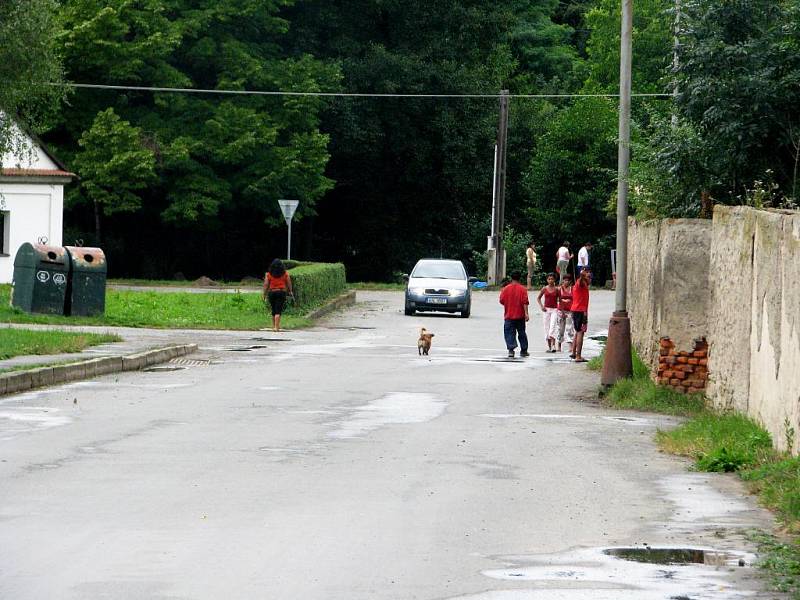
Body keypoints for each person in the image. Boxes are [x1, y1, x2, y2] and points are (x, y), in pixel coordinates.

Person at [499, 271, 529, 358]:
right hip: (520, 315)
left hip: (509, 315)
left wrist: (509, 303)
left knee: (509, 333)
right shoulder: (523, 289)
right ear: (520, 278)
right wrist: (526, 314)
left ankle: (511, 350)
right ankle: (524, 350)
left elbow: (501, 300)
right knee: (522, 333)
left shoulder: (506, 289)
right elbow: (525, 302)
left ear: (511, 278)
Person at [262, 259, 294, 332]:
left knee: (273, 310)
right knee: (278, 310)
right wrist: (290, 291)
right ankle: (277, 327)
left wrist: (264, 294)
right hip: (281, 292)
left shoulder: (268, 274)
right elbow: (289, 283)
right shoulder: (285, 273)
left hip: (272, 293)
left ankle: (274, 326)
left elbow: (266, 284)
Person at [571, 268, 591, 362]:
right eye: (588, 277)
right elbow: (582, 278)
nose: (590, 279)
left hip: (576, 310)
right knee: (580, 332)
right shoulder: (581, 283)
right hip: (580, 311)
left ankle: (573, 352)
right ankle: (578, 356)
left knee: (577, 331)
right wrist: (582, 274)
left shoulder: (578, 285)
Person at [551, 273, 575, 353]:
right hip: (561, 311)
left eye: (567, 280)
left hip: (570, 311)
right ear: (562, 281)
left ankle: (570, 346)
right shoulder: (559, 289)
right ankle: (559, 346)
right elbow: (557, 300)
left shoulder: (572, 289)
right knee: (560, 329)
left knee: (570, 328)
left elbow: (574, 300)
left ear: (570, 281)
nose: (566, 282)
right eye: (565, 280)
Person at [536, 273, 560, 352]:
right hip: (546, 310)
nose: (550, 280)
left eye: (552, 279)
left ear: (554, 280)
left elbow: (560, 300)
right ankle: (549, 347)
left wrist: (561, 310)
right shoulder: (544, 288)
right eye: (549, 279)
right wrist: (542, 306)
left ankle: (553, 345)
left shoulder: (557, 289)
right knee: (546, 327)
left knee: (552, 327)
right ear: (547, 280)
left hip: (554, 310)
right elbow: (538, 298)